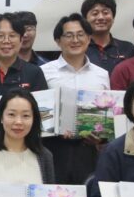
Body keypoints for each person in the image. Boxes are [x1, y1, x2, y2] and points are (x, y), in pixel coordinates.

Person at [40, 14, 111, 184]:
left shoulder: (101, 74)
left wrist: (100, 137)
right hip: (52, 147)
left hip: (88, 149)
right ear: (58, 41)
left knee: (88, 194)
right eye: (69, 35)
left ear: (89, 38)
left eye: (80, 35)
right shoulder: (43, 72)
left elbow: (107, 113)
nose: (75, 40)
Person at [81, 0, 134, 74]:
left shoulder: (127, 48)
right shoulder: (79, 48)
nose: (101, 17)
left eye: (105, 13)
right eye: (95, 13)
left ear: (113, 18)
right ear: (85, 19)